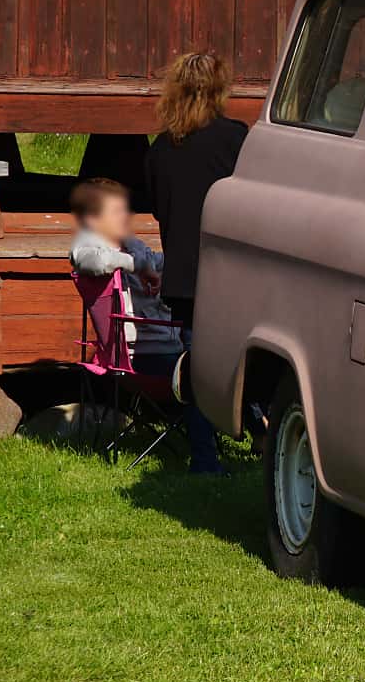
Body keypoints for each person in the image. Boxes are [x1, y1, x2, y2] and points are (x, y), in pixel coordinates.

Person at [68, 178, 222, 473]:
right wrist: (139, 266)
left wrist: (176, 264)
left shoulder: (134, 246)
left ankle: (259, 436)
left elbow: (159, 260)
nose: (126, 217)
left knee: (219, 362)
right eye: (116, 212)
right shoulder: (87, 247)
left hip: (167, 346)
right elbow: (94, 261)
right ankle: (207, 459)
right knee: (202, 375)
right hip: (140, 356)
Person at [145, 53, 246, 330]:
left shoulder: (160, 149)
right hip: (229, 277)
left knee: (191, 359)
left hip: (182, 281)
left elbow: (157, 208)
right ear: (219, 91)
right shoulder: (236, 139)